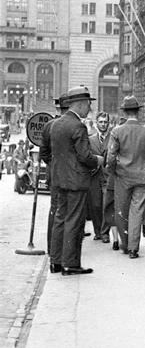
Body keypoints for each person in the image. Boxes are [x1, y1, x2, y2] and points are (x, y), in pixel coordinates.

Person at [48, 87, 102, 276]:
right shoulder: (78, 126)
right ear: (79, 104)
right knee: (74, 221)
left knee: (60, 219)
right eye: (88, 104)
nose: (89, 108)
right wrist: (98, 160)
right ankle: (70, 264)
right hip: (76, 180)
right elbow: (85, 156)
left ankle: (55, 261)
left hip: (59, 179)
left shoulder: (56, 124)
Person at [107, 96, 145, 259]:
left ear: (125, 112)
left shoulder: (117, 131)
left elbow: (110, 156)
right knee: (137, 211)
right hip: (142, 176)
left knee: (121, 211)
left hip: (122, 176)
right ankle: (133, 248)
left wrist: (112, 170)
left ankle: (125, 244)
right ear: (138, 112)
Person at [40, 94, 69, 254]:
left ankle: (52, 248)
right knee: (69, 212)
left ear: (58, 107)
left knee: (55, 209)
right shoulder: (74, 124)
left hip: (54, 174)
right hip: (70, 175)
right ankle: (64, 248)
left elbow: (43, 152)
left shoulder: (49, 125)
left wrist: (52, 164)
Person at [87, 111, 111, 243]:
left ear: (109, 123)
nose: (103, 124)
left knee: (106, 204)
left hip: (108, 176)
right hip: (94, 176)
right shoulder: (90, 139)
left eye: (105, 122)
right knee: (95, 205)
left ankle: (105, 233)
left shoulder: (113, 137)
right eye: (101, 122)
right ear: (96, 123)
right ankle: (97, 231)